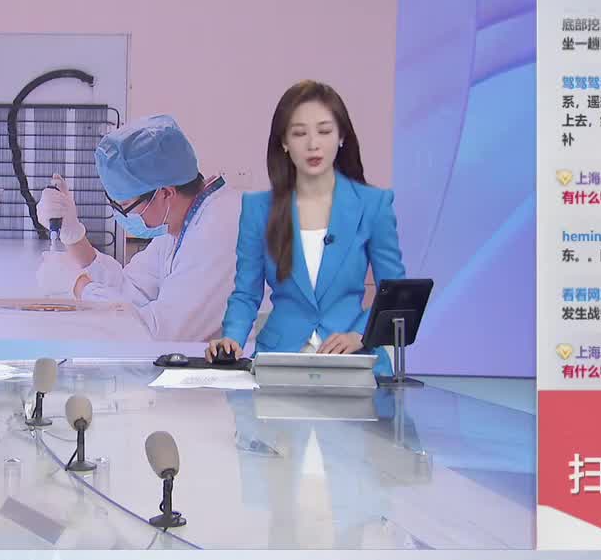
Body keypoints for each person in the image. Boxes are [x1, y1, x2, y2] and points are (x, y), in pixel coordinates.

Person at [208, 81, 405, 373]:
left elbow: (395, 293)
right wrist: (231, 339)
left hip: (354, 360)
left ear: (341, 137)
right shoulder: (258, 209)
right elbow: (246, 293)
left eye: (324, 131)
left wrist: (359, 335)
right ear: (284, 142)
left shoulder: (373, 205)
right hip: (281, 360)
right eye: (300, 133)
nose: (313, 144)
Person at [34, 114, 242, 342]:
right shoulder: (181, 222)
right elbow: (131, 290)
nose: (122, 215)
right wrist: (73, 236)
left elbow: (158, 334)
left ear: (165, 193)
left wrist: (78, 285)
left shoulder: (217, 231)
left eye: (125, 206)